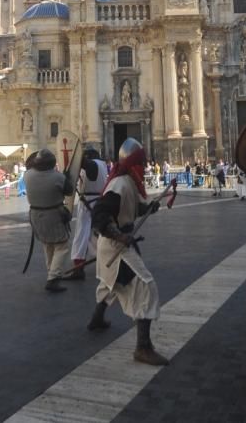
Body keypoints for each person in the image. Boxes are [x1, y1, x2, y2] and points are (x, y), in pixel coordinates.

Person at [88, 138, 169, 366]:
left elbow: (129, 207)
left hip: (119, 244)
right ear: (133, 164)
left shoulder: (128, 183)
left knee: (112, 283)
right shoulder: (119, 185)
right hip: (116, 246)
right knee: (145, 285)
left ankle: (97, 318)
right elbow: (101, 216)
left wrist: (148, 208)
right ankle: (142, 348)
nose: (144, 167)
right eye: (142, 163)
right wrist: (120, 235)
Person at [24, 149, 75, 292]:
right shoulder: (58, 177)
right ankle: (53, 278)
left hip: (35, 215)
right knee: (62, 245)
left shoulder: (27, 175)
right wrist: (67, 178)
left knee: (48, 244)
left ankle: (51, 272)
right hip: (53, 214)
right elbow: (69, 191)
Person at [70, 147, 108, 280]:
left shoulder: (95, 164)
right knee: (95, 235)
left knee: (81, 234)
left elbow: (89, 166)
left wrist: (75, 158)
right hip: (97, 202)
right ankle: (106, 258)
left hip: (88, 203)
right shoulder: (103, 165)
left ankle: (78, 266)